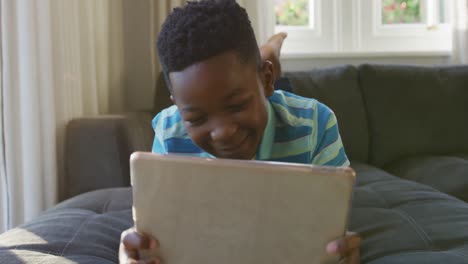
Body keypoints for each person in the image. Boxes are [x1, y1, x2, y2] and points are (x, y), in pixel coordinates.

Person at [120, 0, 360, 263]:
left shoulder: (315, 122)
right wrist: (137, 250)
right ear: (177, 106)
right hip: (257, 92)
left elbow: (333, 219)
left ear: (267, 80)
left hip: (277, 105)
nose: (222, 133)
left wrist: (341, 250)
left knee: (280, 95)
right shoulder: (169, 130)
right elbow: (160, 224)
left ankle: (272, 49)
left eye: (237, 105)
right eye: (197, 118)